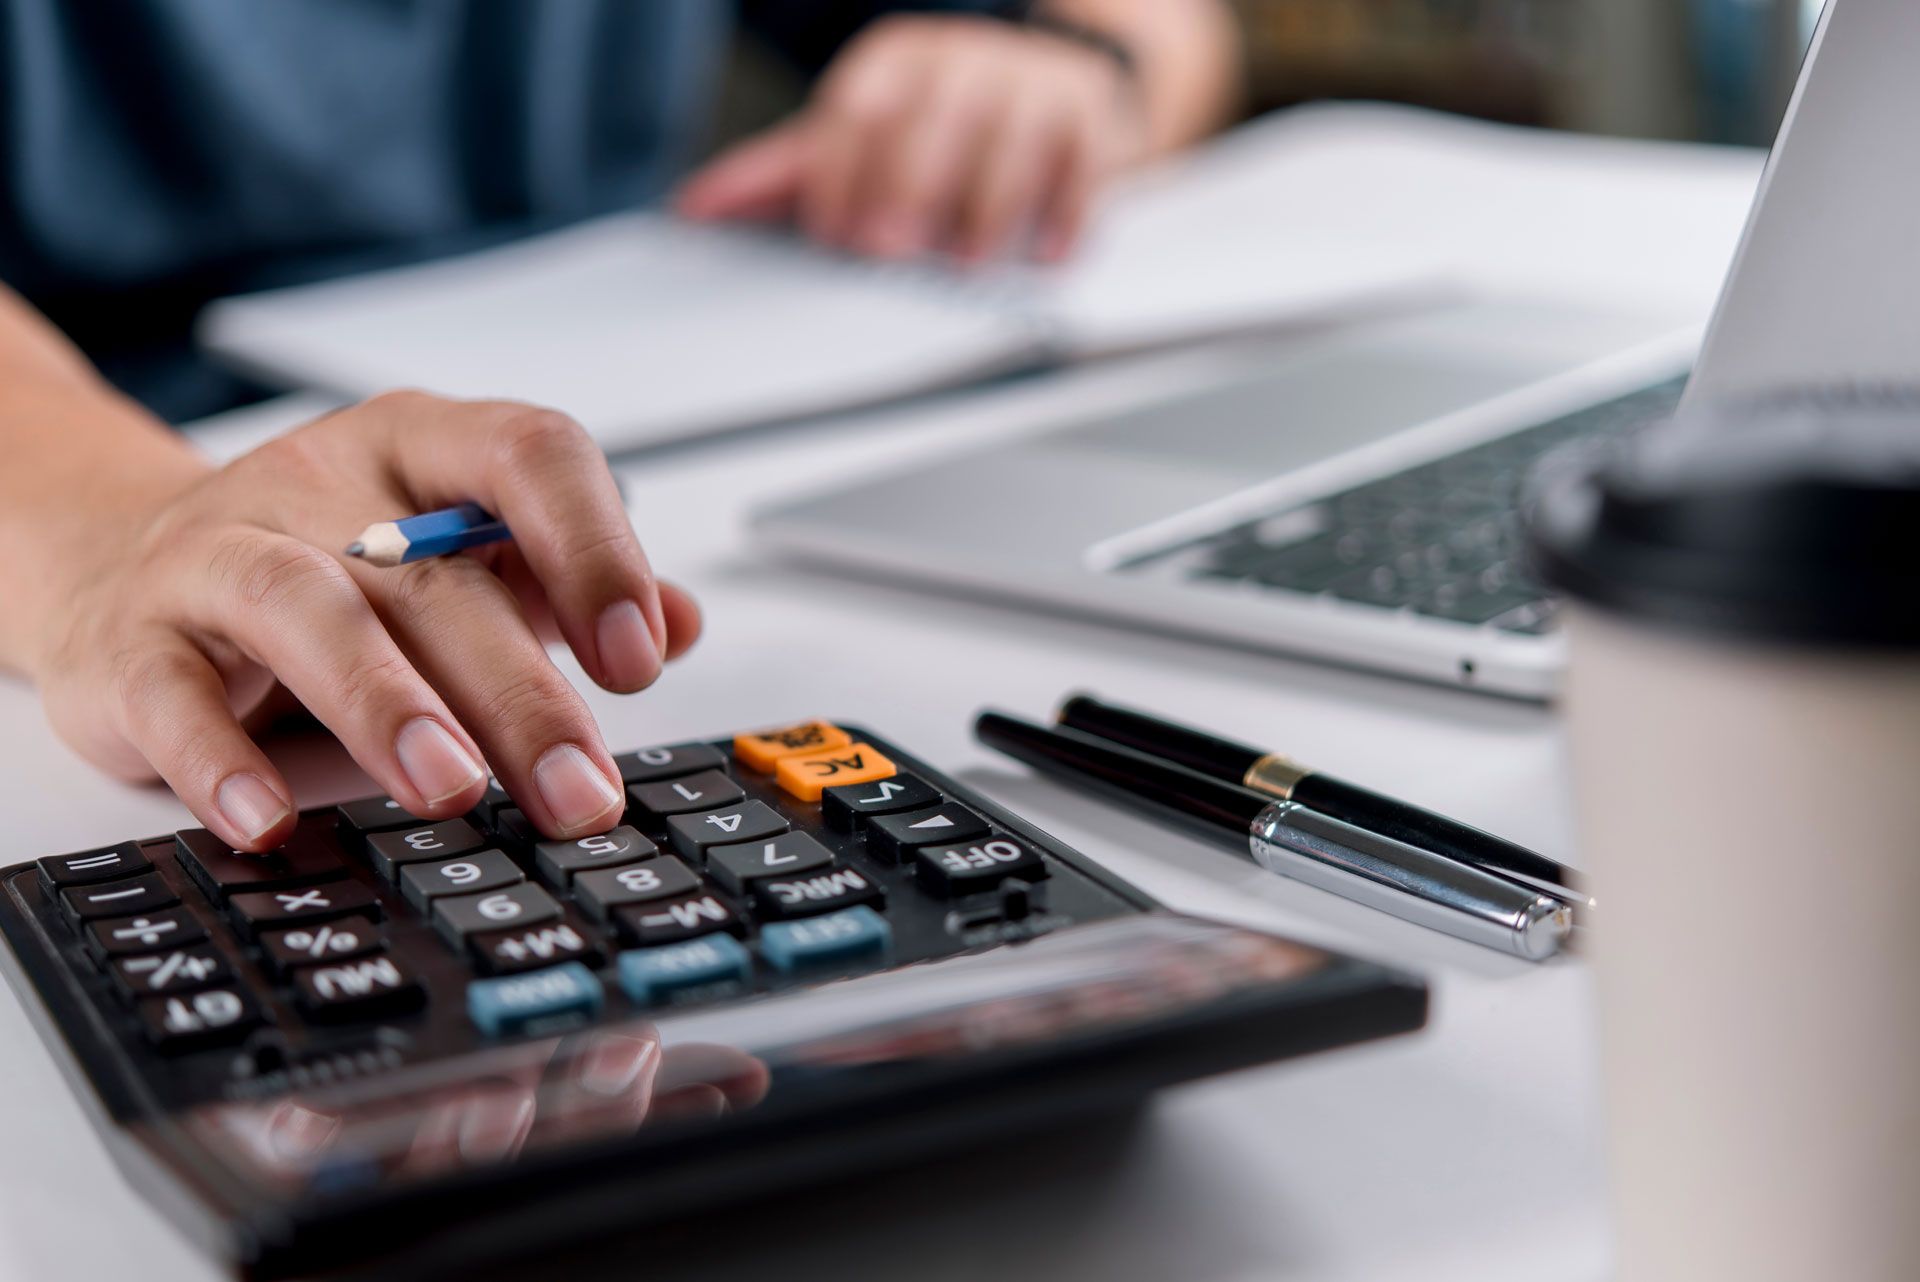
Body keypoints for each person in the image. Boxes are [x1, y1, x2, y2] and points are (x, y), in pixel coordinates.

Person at [0, 1, 1240, 853]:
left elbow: (1169, 27)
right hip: (123, 456)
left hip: (644, 449)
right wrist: (117, 529)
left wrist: (1070, 64)